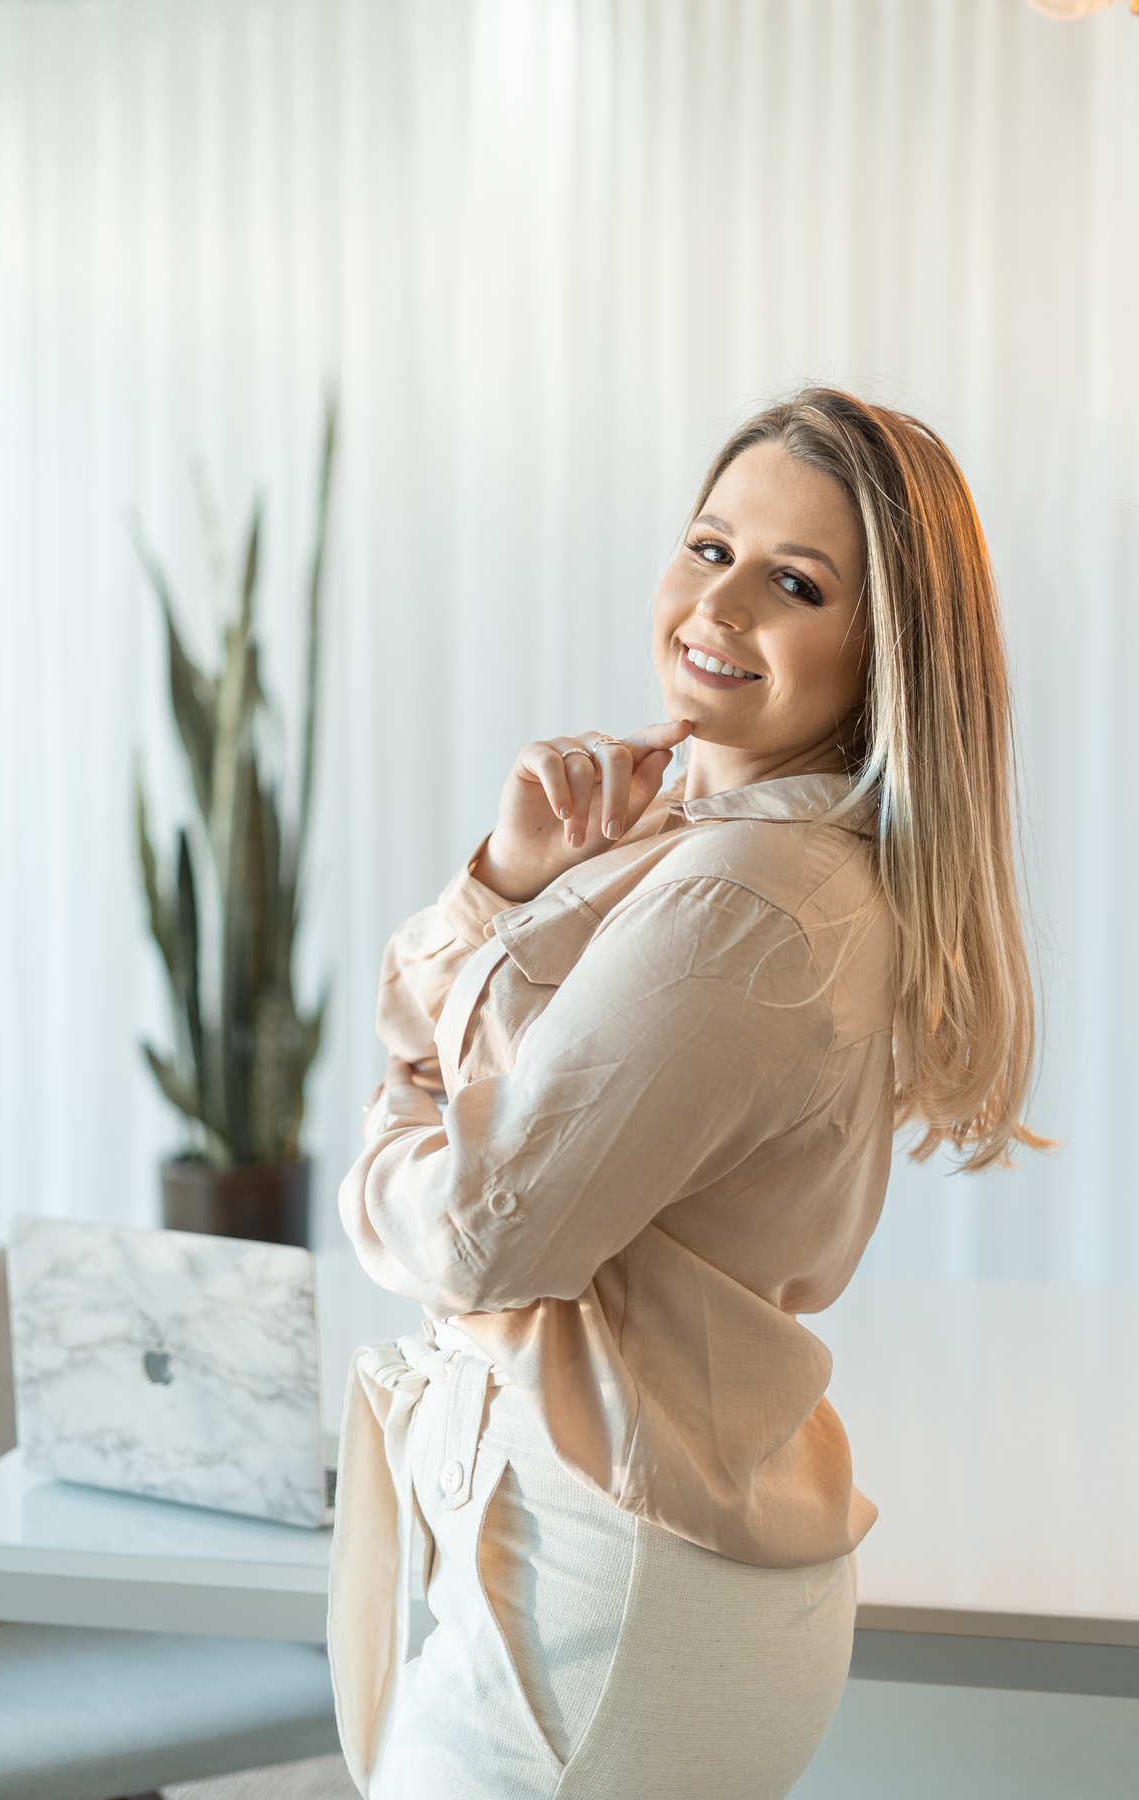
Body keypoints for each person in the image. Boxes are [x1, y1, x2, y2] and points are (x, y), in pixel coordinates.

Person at [330, 388, 1044, 1800]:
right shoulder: (700, 843)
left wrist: (380, 1139)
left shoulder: (748, 896)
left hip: (596, 1584)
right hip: (601, 1551)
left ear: (883, 649)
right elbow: (433, 1046)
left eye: (796, 583)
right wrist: (512, 884)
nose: (720, 607)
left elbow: (482, 1234)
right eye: (711, 547)